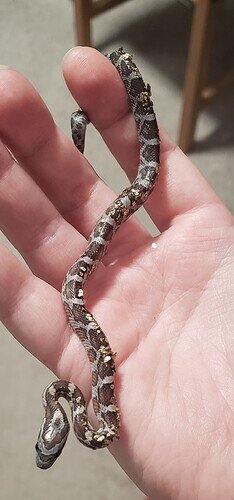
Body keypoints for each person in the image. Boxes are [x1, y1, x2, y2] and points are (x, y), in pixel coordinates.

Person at [0, 47, 233, 499]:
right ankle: (115, 69)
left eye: (45, 449)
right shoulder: (79, 409)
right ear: (57, 428)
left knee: (147, 175)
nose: (47, 453)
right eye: (48, 450)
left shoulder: (77, 405)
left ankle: (118, 65)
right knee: (144, 178)